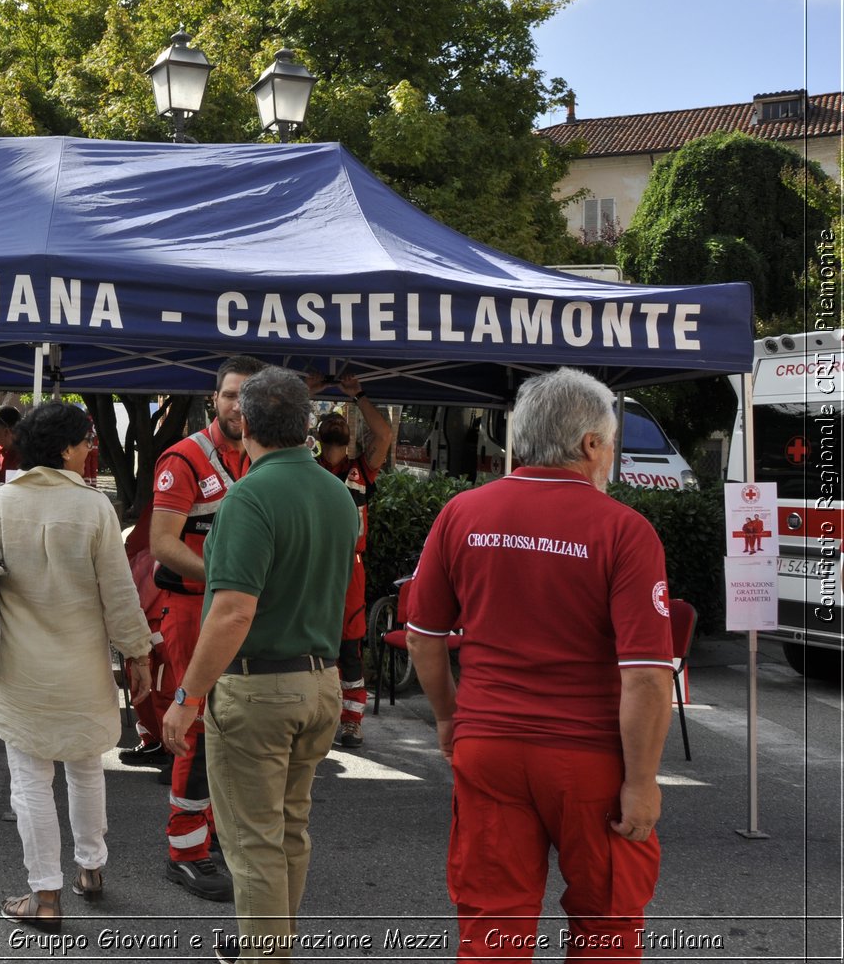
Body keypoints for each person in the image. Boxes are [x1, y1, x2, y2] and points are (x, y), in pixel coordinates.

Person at [405, 367, 675, 962]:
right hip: (591, 760)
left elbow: (423, 637)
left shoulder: (461, 514)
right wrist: (642, 781)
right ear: (589, 445)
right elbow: (649, 676)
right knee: (607, 928)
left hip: (489, 746)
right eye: (610, 444)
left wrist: (450, 720)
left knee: (492, 930)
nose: (609, 459)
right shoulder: (626, 532)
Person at [161, 366, 357, 964]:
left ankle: (265, 956)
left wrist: (187, 697)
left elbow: (231, 614)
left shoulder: (249, 497)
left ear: (246, 422)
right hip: (320, 681)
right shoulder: (335, 492)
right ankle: (270, 947)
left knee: (253, 844)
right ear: (305, 424)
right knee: (289, 830)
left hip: (260, 689)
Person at [0, 401, 154, 933]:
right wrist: (138, 654)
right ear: (66, 448)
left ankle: (45, 896)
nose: (91, 448)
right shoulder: (95, 508)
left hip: (18, 667)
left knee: (30, 781)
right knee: (88, 767)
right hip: (83, 666)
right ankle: (91, 870)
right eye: (87, 440)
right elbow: (119, 596)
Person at [145, 355, 264, 902]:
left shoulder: (266, 457)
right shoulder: (185, 457)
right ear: (214, 399)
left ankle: (207, 833)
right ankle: (185, 852)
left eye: (248, 395)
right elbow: (162, 543)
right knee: (195, 723)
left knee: (231, 723)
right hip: (193, 607)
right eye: (230, 395)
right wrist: (226, 577)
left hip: (240, 610)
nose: (238, 405)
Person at [312, 372, 394, 749]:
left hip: (350, 569)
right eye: (330, 419)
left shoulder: (363, 468)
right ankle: (313, 719)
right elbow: (275, 433)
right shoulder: (303, 465)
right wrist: (307, 393)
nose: (337, 421)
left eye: (342, 419)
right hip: (309, 567)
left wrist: (357, 394)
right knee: (310, 647)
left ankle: (352, 723)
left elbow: (385, 435)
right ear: (315, 433)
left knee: (349, 648)